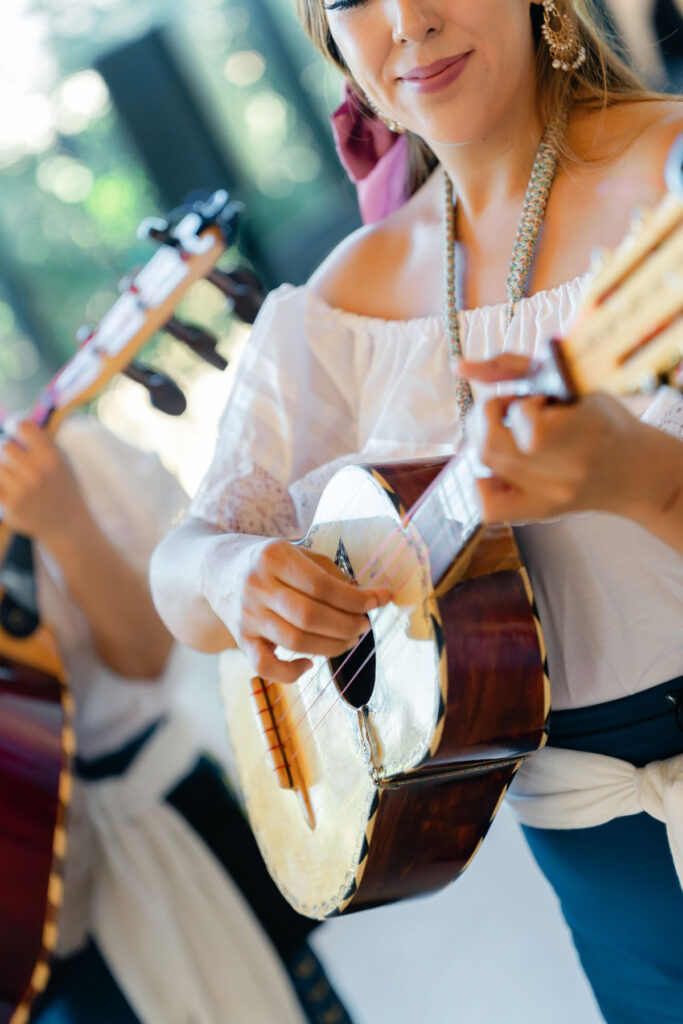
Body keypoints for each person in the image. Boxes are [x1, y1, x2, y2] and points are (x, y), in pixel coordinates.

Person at [149, 3, 683, 1022]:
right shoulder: (340, 309)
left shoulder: (665, 178)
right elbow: (183, 571)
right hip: (588, 855)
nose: (407, 20)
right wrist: (235, 577)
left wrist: (641, 479)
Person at [0, 416, 352, 1024]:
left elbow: (148, 654)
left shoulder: (55, 457)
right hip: (35, 926)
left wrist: (63, 522)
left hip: (168, 815)